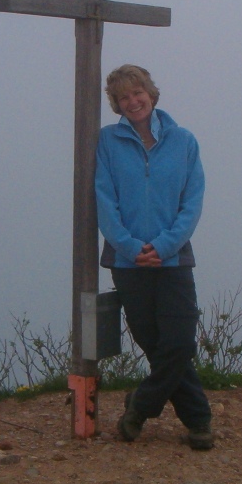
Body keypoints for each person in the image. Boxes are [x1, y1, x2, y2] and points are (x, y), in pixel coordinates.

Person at [94, 64, 213, 451]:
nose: (133, 101)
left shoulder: (184, 141)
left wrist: (162, 247)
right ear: (116, 104)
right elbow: (105, 200)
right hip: (128, 263)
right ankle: (198, 423)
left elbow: (191, 202)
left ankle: (140, 407)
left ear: (151, 92)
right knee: (155, 345)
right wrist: (131, 247)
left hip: (173, 260)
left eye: (138, 92)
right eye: (123, 96)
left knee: (178, 344)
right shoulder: (108, 142)